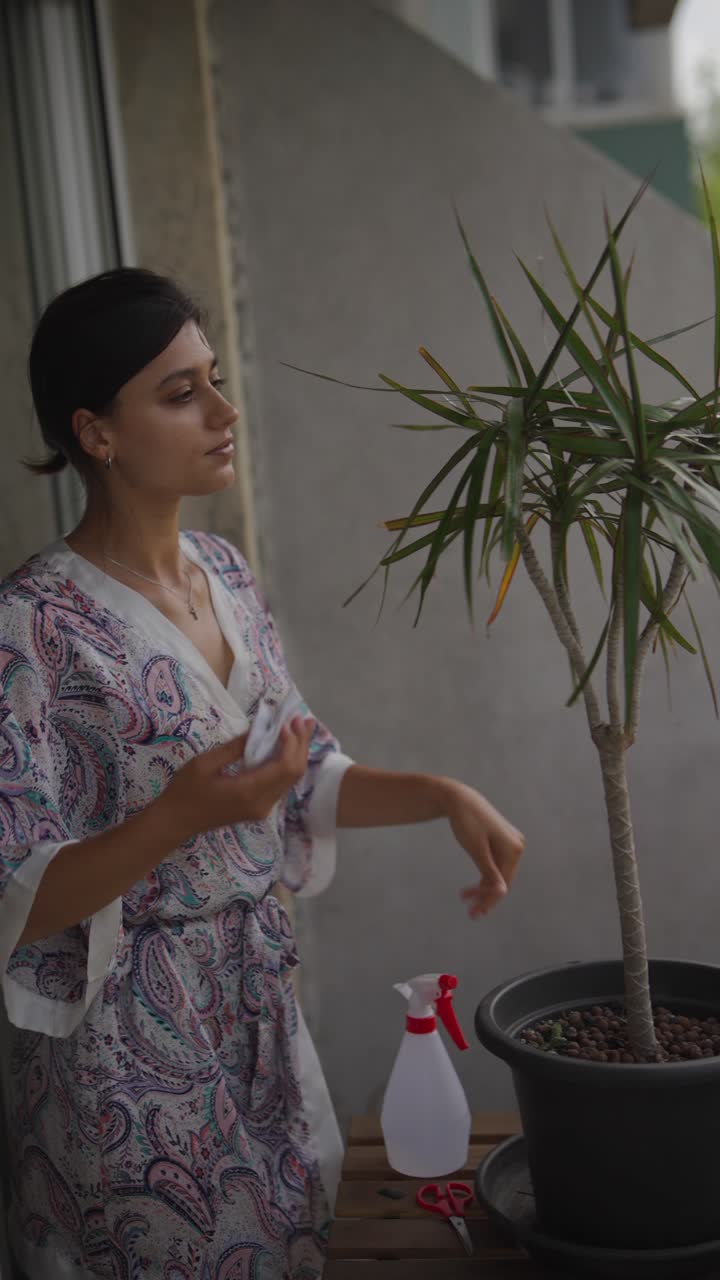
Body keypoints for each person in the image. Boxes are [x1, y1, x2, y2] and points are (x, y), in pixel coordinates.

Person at [0, 268, 524, 1279]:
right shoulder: (29, 626)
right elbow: (18, 895)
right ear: (95, 431)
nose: (223, 410)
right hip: (125, 1068)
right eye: (180, 391)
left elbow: (297, 771)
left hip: (261, 1021)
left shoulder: (226, 575)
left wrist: (440, 795)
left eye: (214, 378)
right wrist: (174, 819)